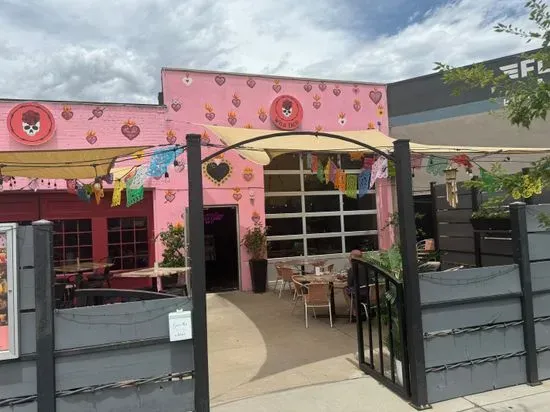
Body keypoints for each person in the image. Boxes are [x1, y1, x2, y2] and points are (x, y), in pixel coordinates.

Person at [343, 250, 370, 319]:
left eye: (350, 256)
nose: (349, 258)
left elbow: (349, 284)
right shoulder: (368, 267)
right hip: (370, 292)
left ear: (353, 258)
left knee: (345, 289)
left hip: (359, 293)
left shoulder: (352, 269)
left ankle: (354, 312)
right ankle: (360, 309)